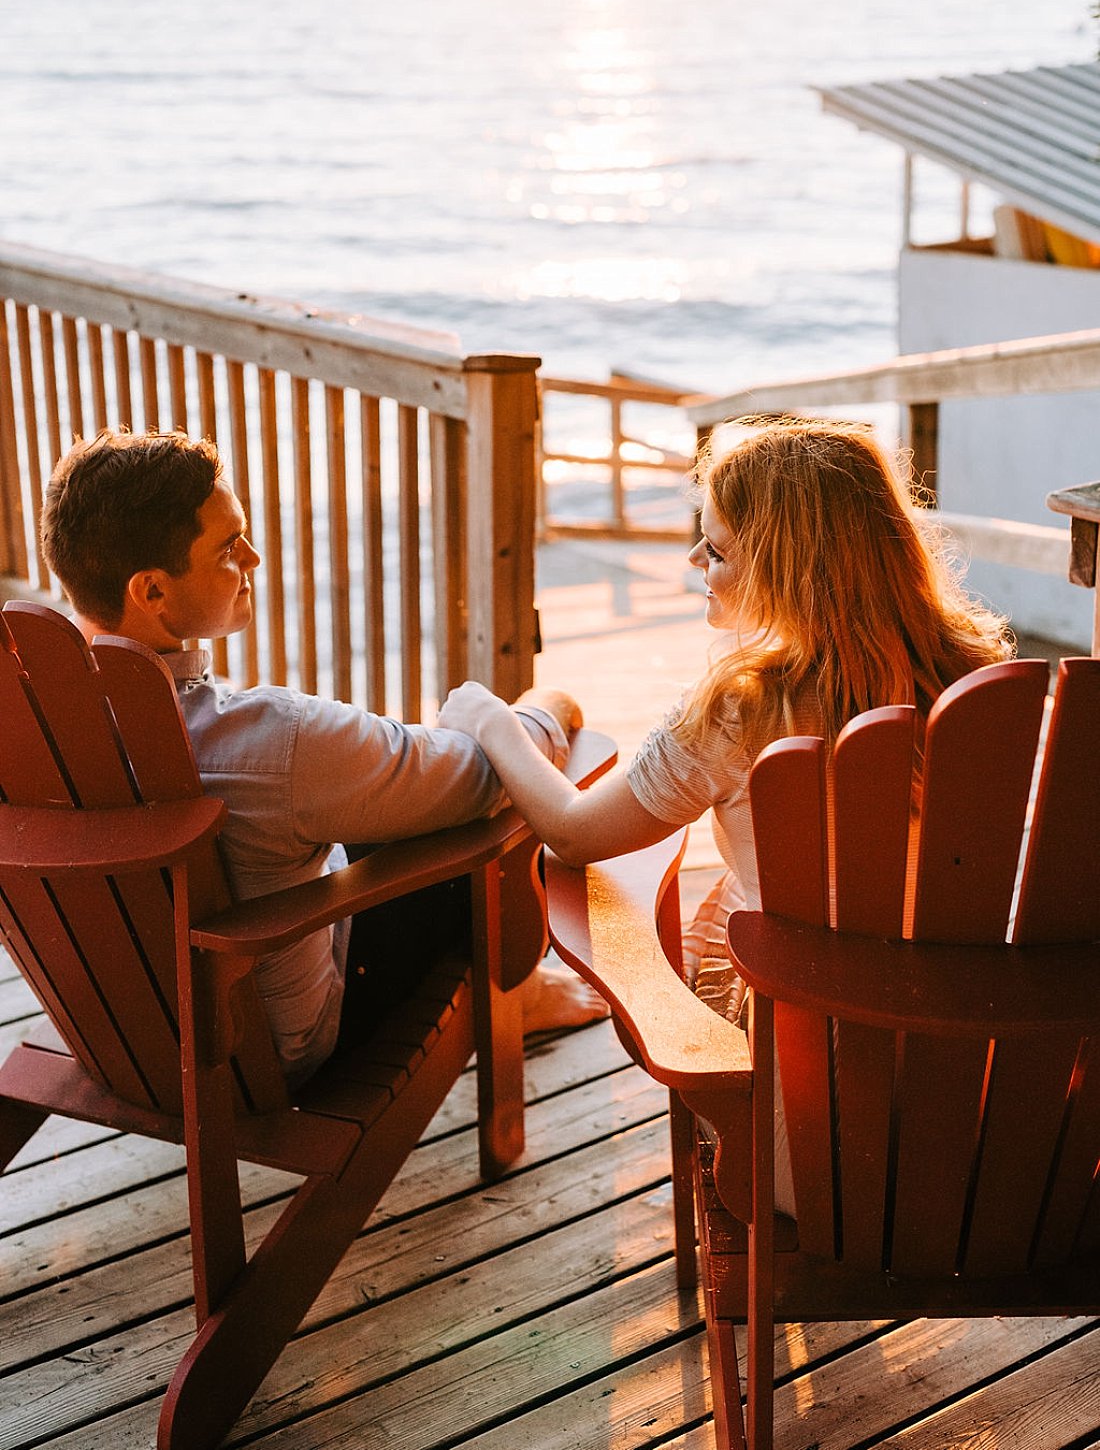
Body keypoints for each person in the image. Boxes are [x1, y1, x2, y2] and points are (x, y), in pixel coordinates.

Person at [438, 416, 1013, 1211]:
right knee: (740, 898)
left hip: (807, 1151)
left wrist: (493, 723)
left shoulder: (742, 708)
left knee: (732, 908)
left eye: (716, 549)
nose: (694, 563)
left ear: (784, 566)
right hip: (1009, 1132)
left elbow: (571, 834)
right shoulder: (993, 693)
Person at [40, 427, 604, 1090]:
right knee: (493, 831)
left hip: (116, 1025)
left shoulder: (36, 722)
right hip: (272, 1050)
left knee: (354, 807)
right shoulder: (274, 740)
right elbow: (483, 778)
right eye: (227, 548)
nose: (252, 558)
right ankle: (521, 996)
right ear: (153, 592)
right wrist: (545, 707)